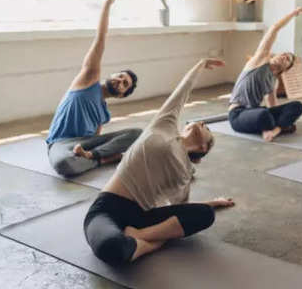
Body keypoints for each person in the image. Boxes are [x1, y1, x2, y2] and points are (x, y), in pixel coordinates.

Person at [84, 58, 235, 266]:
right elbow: (182, 92)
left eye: (206, 129)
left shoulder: (185, 173)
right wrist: (200, 64)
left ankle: (142, 235)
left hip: (143, 217)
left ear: (203, 148)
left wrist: (213, 204)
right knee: (111, 247)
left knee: (205, 214)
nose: (201, 122)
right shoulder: (166, 125)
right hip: (107, 207)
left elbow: (181, 209)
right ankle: (149, 244)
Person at [45, 0, 141, 177]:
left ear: (122, 96)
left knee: (138, 134)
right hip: (62, 144)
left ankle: (94, 157)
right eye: (120, 76)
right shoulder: (88, 80)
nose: (119, 81)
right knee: (65, 165)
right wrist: (107, 4)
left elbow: (97, 137)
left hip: (86, 146)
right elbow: (101, 38)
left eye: (124, 84)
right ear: (113, 75)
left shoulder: (103, 115)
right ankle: (102, 160)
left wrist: (93, 150)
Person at [228, 7, 302, 142]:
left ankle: (275, 130)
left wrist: (280, 115)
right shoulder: (259, 60)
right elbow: (275, 28)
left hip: (254, 112)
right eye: (284, 54)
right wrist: (294, 13)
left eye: (287, 59)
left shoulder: (274, 82)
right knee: (264, 115)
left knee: (297, 106)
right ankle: (279, 127)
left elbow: (273, 107)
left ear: (285, 69)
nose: (284, 56)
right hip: (238, 114)